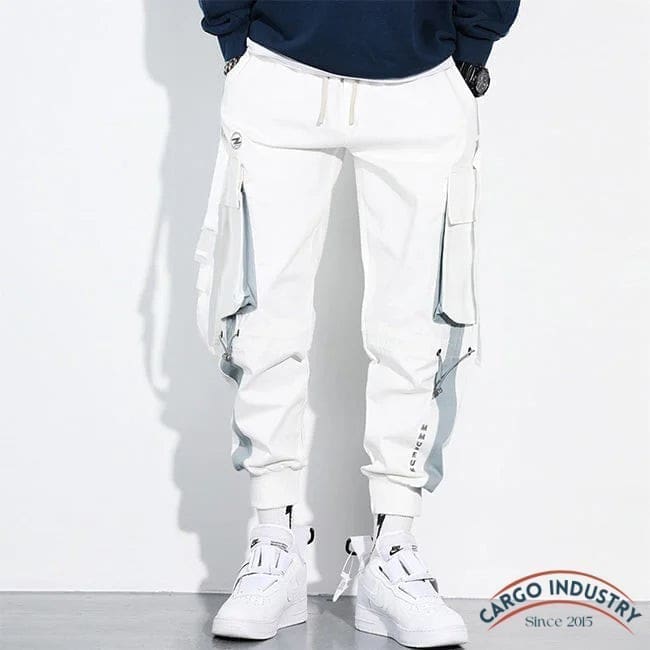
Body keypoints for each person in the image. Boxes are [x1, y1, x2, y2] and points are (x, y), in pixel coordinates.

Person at [195, 1, 519, 646]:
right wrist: (233, 37)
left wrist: (473, 48)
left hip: (423, 81)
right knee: (263, 317)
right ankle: (273, 541)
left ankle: (394, 549)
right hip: (278, 72)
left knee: (416, 326)